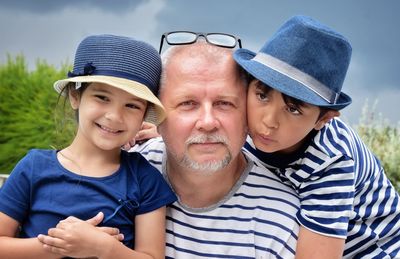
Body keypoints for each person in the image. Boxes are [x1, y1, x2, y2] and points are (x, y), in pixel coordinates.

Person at [234, 15, 400, 258]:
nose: (268, 121)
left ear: (323, 119)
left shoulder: (332, 160)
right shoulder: (243, 122)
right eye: (262, 95)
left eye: (293, 109)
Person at [0, 34, 177, 259]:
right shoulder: (33, 168)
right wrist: (58, 246)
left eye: (131, 105)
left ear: (144, 114)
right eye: (102, 97)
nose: (114, 116)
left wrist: (105, 248)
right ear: (75, 96)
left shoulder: (145, 178)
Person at [132, 34, 301, 258]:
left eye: (224, 103)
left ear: (247, 115)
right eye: (188, 103)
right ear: (156, 115)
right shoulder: (120, 172)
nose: (208, 122)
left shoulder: (281, 220)